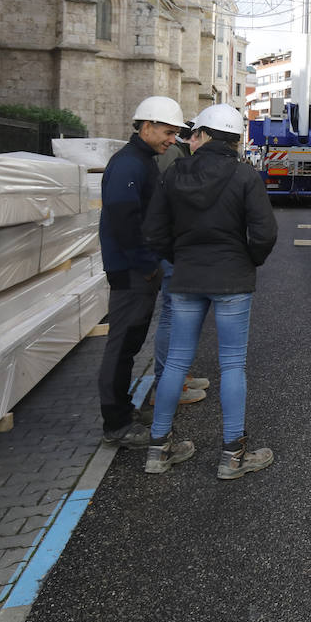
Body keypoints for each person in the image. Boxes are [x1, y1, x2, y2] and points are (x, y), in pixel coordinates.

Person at [142, 104, 278, 479]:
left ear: (202, 135)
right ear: (234, 140)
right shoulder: (245, 175)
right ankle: (232, 455)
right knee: (232, 365)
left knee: (176, 364)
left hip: (186, 278)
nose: (189, 140)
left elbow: (154, 231)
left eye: (192, 134)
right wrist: (247, 258)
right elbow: (265, 232)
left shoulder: (173, 173)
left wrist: (179, 256)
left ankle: (158, 448)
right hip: (233, 279)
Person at [97, 95, 187, 449]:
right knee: (120, 348)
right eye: (167, 132)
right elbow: (124, 220)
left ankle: (123, 409)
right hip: (131, 271)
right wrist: (147, 264)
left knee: (131, 345)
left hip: (136, 269)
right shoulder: (129, 165)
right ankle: (115, 423)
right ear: (146, 126)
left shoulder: (142, 160)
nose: (171, 140)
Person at [150, 121, 208, 410]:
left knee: (177, 312)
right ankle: (167, 382)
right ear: (195, 136)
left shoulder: (177, 155)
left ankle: (177, 376)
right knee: (173, 313)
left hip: (174, 244)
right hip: (173, 246)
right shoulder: (174, 156)